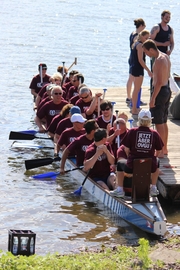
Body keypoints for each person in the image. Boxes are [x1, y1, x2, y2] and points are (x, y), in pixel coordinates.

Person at [110, 109, 164, 198]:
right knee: (157, 161)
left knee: (119, 164)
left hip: (132, 166)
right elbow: (159, 151)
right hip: (149, 166)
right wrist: (153, 158)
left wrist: (129, 158)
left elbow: (126, 149)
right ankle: (153, 188)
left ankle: (120, 189)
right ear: (150, 120)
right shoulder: (154, 133)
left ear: (139, 119)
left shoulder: (132, 131)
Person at [142, 39, 171, 156]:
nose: (146, 54)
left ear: (151, 49)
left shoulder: (159, 60)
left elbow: (158, 82)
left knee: (158, 122)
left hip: (160, 91)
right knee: (163, 120)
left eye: (146, 52)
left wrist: (153, 98)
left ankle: (159, 151)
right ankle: (164, 148)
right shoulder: (165, 56)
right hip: (167, 89)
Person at [130, 29, 153, 115]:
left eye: (148, 38)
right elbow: (141, 60)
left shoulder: (135, 43)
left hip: (134, 67)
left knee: (136, 89)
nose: (147, 39)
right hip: (138, 68)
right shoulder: (140, 45)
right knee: (136, 89)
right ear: (142, 36)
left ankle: (135, 108)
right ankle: (134, 109)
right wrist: (148, 70)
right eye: (146, 38)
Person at [126, 18, 146, 105]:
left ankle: (129, 97)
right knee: (135, 80)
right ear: (141, 26)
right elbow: (135, 46)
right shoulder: (137, 35)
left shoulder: (132, 33)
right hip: (135, 59)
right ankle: (134, 99)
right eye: (144, 26)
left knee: (130, 78)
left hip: (131, 57)